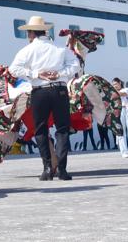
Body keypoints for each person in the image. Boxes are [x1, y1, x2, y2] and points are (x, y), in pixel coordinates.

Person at [8, 16, 80, 181]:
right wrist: (59, 74)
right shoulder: (59, 48)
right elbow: (75, 64)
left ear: (31, 33)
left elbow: (13, 69)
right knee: (62, 129)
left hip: (39, 91)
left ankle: (48, 169)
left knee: (40, 129)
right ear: (45, 31)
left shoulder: (28, 50)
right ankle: (62, 170)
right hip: (59, 90)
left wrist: (35, 74)